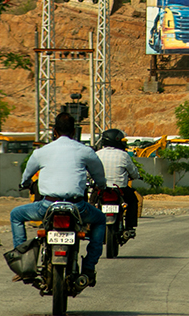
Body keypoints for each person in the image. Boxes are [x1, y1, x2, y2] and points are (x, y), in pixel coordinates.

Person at [8, 112, 107, 286]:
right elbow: (99, 175)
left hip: (48, 206)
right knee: (100, 219)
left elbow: (26, 176)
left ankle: (24, 263)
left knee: (16, 215)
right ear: (74, 132)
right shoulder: (85, 151)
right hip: (77, 207)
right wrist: (101, 185)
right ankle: (89, 268)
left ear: (54, 131)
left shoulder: (42, 152)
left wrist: (25, 183)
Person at [95, 128, 142, 237]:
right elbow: (133, 173)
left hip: (101, 189)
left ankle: (89, 225)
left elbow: (89, 171)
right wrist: (137, 176)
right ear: (116, 140)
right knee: (133, 201)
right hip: (120, 190)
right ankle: (130, 227)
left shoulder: (97, 154)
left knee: (92, 203)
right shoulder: (123, 155)